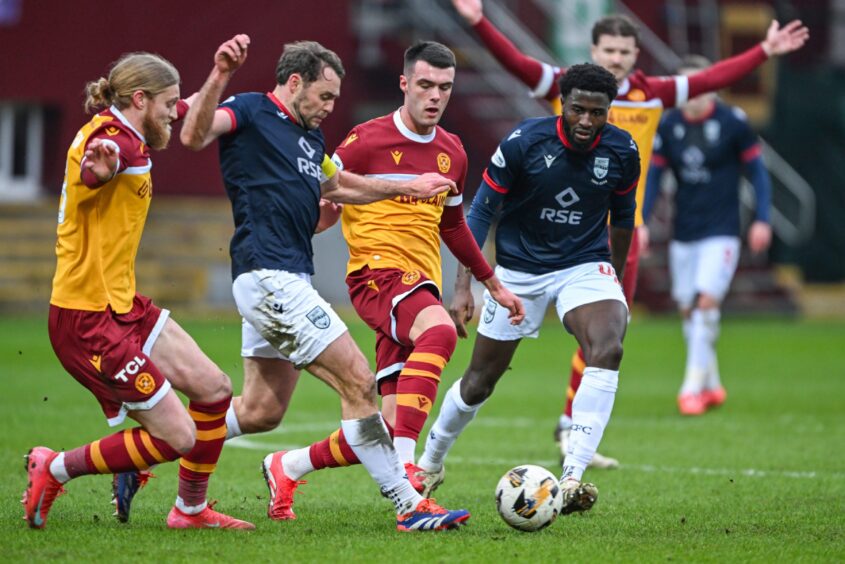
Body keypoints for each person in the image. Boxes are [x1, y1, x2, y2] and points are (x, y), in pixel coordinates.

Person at [449, 0, 808, 467]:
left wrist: (764, 50)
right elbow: (516, 64)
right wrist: (479, 21)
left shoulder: (653, 93)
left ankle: (572, 432)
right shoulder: (567, 88)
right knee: (512, 359)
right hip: (557, 231)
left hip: (622, 229)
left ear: (637, 54)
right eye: (608, 48)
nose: (616, 57)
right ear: (593, 49)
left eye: (625, 50)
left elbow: (710, 80)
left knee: (605, 340)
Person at [174, 38, 473, 532]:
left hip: (288, 273)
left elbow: (341, 185)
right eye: (326, 97)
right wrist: (220, 71)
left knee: (262, 411)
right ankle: (408, 503)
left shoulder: (309, 140)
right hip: (267, 275)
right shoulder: (248, 109)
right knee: (359, 382)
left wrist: (406, 186)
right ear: (296, 83)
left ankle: (147, 453)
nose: (332, 108)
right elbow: (194, 133)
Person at [262, 41, 524, 513]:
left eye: (444, 87)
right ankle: (409, 474)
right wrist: (313, 217)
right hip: (376, 275)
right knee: (441, 332)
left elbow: (453, 225)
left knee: (380, 424)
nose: (435, 96)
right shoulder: (365, 140)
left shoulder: (453, 153)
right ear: (404, 84)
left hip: (418, 282)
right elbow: (323, 191)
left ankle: (289, 465)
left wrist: (492, 284)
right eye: (424, 85)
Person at [22, 36, 255, 530]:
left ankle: (190, 512)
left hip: (122, 304)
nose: (176, 114)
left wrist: (221, 71)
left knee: (214, 389)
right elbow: (95, 168)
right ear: (140, 100)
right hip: (86, 317)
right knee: (178, 437)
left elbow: (189, 107)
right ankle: (56, 466)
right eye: (168, 105)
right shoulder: (108, 141)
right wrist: (97, 172)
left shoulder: (133, 130)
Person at [416, 63, 640, 514]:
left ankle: (573, 476)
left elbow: (623, 219)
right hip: (517, 273)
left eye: (597, 113)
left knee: (608, 348)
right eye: (577, 110)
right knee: (479, 382)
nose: (586, 121)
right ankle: (430, 461)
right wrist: (466, 286)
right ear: (562, 104)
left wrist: (612, 278)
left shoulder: (622, 151)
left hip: (584, 266)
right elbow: (477, 213)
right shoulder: (525, 142)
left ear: (608, 111)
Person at [642, 55, 772, 415]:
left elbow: (758, 173)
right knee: (688, 308)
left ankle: (690, 389)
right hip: (685, 232)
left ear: (712, 86)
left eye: (701, 84)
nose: (695, 94)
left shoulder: (732, 122)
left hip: (723, 231)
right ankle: (712, 384)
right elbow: (654, 177)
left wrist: (762, 218)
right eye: (688, 86)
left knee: (705, 303)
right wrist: (641, 220)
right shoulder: (669, 127)